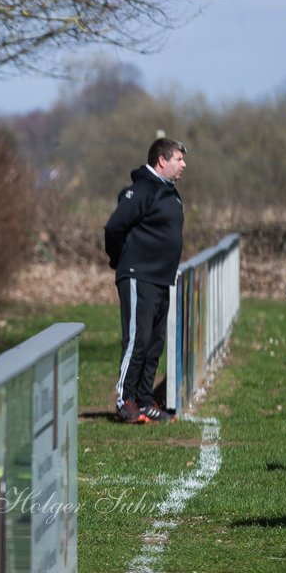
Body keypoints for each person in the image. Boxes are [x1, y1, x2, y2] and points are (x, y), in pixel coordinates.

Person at [103, 137, 187, 424]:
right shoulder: (141, 190)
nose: (183, 165)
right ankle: (124, 401)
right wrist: (122, 261)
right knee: (137, 340)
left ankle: (144, 400)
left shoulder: (170, 193)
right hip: (139, 276)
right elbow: (114, 227)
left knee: (154, 342)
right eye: (178, 159)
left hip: (162, 278)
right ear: (162, 160)